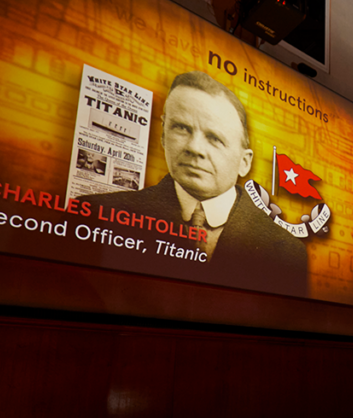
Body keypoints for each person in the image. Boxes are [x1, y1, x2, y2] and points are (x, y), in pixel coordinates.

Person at [80, 71, 308, 296]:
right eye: (181, 128)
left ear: (244, 162)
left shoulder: (287, 253)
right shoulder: (95, 215)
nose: (194, 148)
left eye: (214, 138)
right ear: (163, 136)